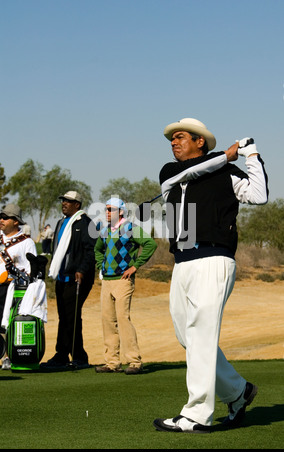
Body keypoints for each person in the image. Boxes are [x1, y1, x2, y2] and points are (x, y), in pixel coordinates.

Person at [153, 118, 268, 433]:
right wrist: (227, 155)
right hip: (182, 262)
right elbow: (192, 171)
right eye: (171, 139)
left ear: (199, 140)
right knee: (188, 337)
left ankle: (196, 414)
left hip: (214, 258)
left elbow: (259, 195)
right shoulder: (170, 173)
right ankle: (237, 392)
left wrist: (252, 155)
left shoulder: (226, 172)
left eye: (180, 137)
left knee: (201, 335)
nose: (173, 143)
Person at [95, 197, 157, 374]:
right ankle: (112, 362)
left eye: (111, 209)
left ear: (120, 212)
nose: (107, 212)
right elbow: (98, 250)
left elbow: (150, 244)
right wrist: (100, 266)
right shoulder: (105, 231)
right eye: (106, 209)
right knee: (108, 321)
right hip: (107, 280)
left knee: (123, 319)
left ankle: (134, 362)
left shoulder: (130, 228)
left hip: (123, 280)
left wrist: (135, 266)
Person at [42, 191, 96, 370]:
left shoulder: (86, 223)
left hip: (78, 278)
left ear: (77, 205)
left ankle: (78, 356)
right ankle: (63, 354)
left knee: (72, 316)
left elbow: (91, 251)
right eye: (63, 200)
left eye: (68, 201)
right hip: (61, 276)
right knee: (64, 316)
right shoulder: (59, 223)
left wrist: (81, 269)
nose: (64, 203)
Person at [0, 203, 37, 369]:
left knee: (8, 322)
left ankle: (7, 357)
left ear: (16, 221)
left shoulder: (27, 242)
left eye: (5, 217)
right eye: (1, 217)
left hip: (12, 289)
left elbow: (31, 269)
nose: (1, 220)